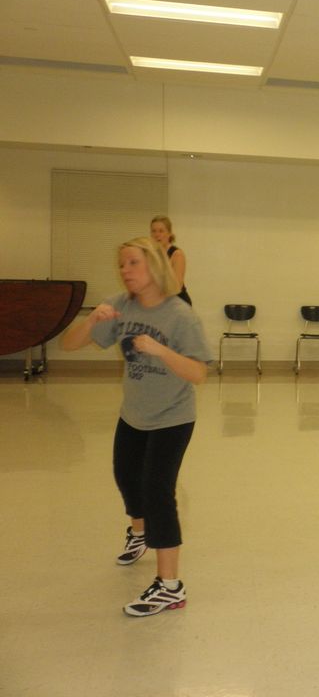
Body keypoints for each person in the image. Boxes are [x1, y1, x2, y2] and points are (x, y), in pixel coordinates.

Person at [62, 237, 212, 617]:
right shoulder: (120, 304)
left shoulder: (181, 316)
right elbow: (69, 344)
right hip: (133, 413)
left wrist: (160, 350)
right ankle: (139, 534)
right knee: (126, 477)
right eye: (122, 264)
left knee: (156, 490)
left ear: (155, 268)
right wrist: (92, 319)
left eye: (132, 263)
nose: (124, 271)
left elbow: (198, 373)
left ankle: (170, 587)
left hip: (173, 418)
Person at [149, 215, 192, 305]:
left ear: (169, 234)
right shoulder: (150, 255)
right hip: (159, 302)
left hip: (178, 302)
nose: (157, 235)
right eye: (154, 231)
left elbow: (177, 286)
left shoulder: (177, 254)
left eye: (161, 231)